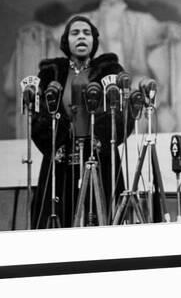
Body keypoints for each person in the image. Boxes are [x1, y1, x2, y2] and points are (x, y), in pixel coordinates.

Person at [4, 0, 181, 135]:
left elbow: (159, 30)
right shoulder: (86, 19)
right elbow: (57, 34)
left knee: (137, 87)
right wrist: (40, 31)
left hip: (130, 83)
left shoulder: (138, 20)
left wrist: (172, 29)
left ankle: (133, 147)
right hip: (94, 85)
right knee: (87, 90)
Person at [31, 15, 134, 229]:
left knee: (103, 217)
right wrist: (54, 145)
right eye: (75, 33)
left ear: (94, 40)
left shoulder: (110, 71)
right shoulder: (51, 73)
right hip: (61, 157)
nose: (81, 37)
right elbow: (38, 117)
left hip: (100, 156)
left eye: (86, 33)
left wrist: (104, 141)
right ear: (66, 41)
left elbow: (124, 117)